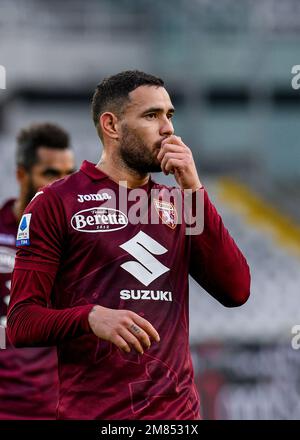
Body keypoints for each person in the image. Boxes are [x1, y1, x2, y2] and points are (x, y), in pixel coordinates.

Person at [7, 71, 251, 420]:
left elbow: (236, 290)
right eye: (152, 116)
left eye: (170, 116)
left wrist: (194, 189)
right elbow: (20, 322)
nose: (167, 128)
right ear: (112, 126)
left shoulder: (181, 203)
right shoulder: (55, 203)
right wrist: (89, 317)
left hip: (178, 418)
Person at [0, 122, 76, 419]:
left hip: (56, 406)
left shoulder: (80, 239)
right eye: (50, 174)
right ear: (22, 175)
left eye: (69, 174)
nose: (62, 183)